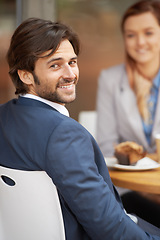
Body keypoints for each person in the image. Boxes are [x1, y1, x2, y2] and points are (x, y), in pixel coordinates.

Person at [0, 18, 160, 240]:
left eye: (72, 62)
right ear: (26, 75)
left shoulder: (4, 116)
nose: (70, 74)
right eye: (55, 65)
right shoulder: (63, 133)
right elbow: (108, 227)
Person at [96, 0, 160, 228]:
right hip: (132, 191)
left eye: (149, 32)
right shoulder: (110, 80)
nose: (140, 42)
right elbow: (105, 147)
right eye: (131, 35)